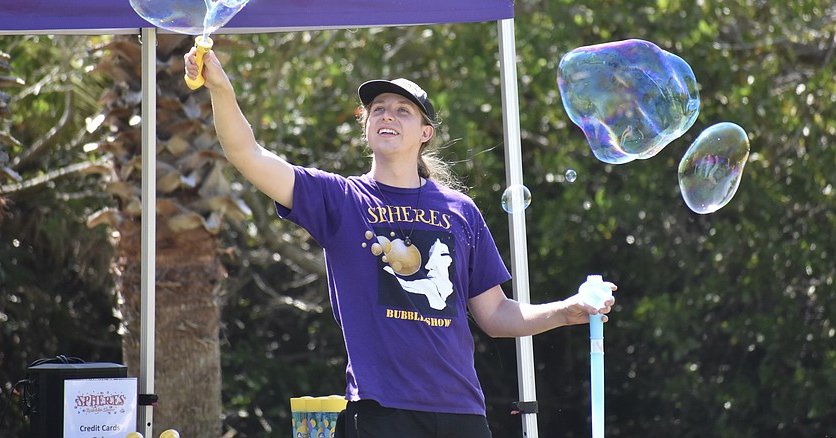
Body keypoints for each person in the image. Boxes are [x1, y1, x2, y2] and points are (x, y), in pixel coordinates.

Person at [184, 46, 617, 438]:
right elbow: (247, 154)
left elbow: (496, 313)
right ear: (366, 125)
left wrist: (568, 310)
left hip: (462, 414)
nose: (387, 115)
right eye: (377, 109)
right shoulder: (340, 199)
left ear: (425, 132)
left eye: (402, 110)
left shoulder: (460, 211)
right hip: (381, 413)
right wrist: (220, 88)